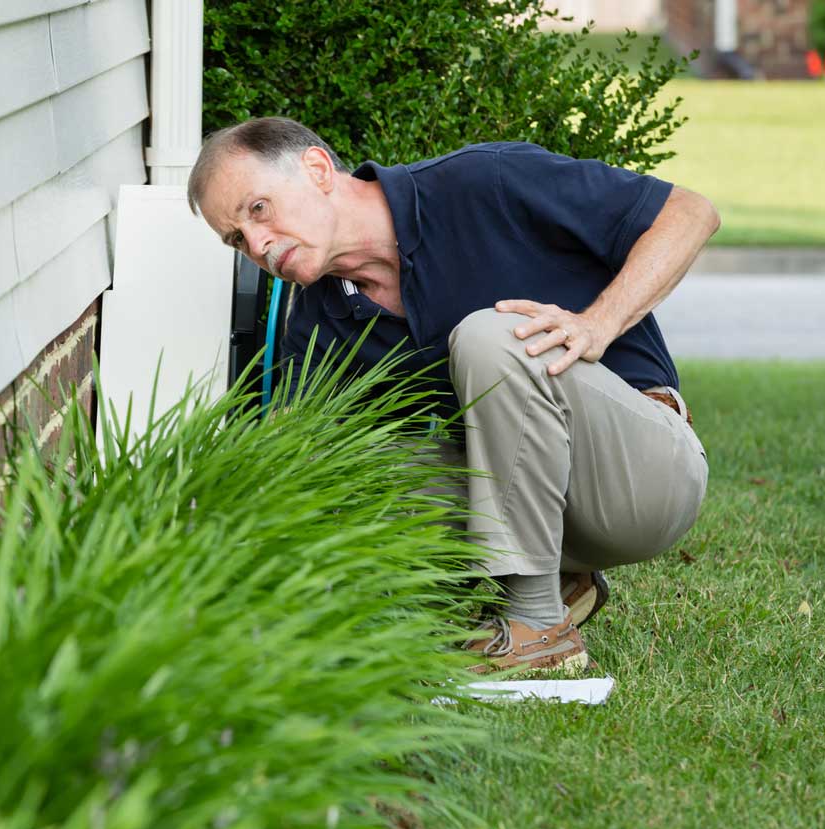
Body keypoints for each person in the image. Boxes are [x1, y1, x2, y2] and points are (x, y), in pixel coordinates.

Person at [188, 117, 716, 672]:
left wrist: (597, 324)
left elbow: (691, 213)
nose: (259, 246)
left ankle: (537, 626)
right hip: (543, 509)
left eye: (258, 210)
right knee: (325, 459)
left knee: (491, 337)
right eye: (238, 239)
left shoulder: (484, 182)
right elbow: (297, 469)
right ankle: (553, 581)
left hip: (643, 481)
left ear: (318, 169)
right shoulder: (321, 324)